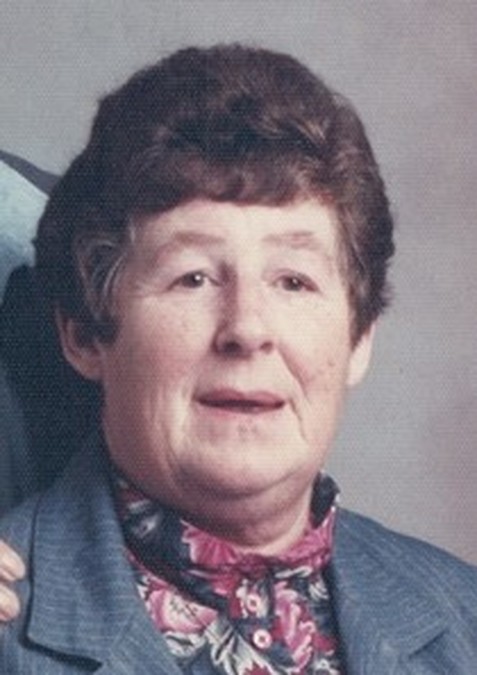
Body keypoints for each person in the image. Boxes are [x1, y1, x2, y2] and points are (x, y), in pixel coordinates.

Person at [0, 44, 476, 673]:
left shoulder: (464, 618)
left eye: (294, 281)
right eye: (192, 278)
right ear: (86, 334)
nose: (247, 329)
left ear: (359, 338)